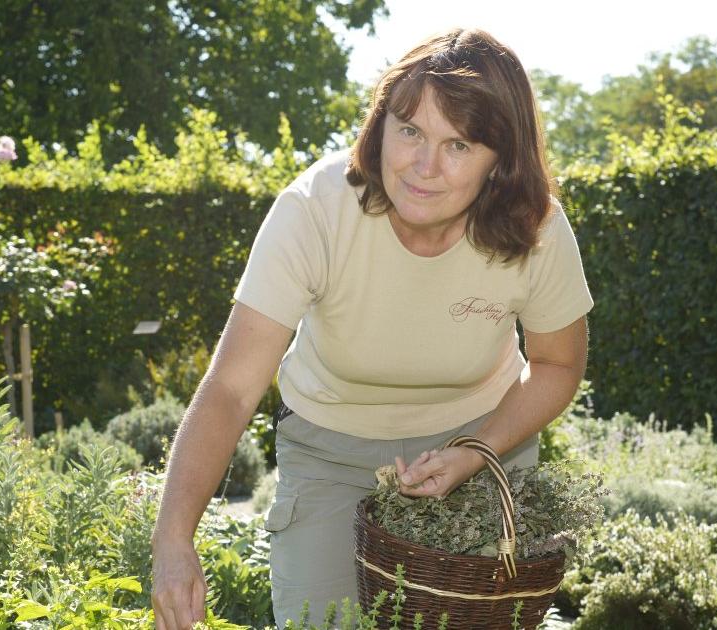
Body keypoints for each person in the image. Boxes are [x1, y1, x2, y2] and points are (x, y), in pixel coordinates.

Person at [150, 27, 593, 629]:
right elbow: (230, 389)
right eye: (409, 130)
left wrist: (474, 451)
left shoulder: (534, 227)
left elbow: (557, 364)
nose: (423, 167)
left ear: (500, 163)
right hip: (330, 449)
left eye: (459, 145)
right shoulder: (316, 208)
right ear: (381, 124)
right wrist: (174, 539)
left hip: (483, 437)